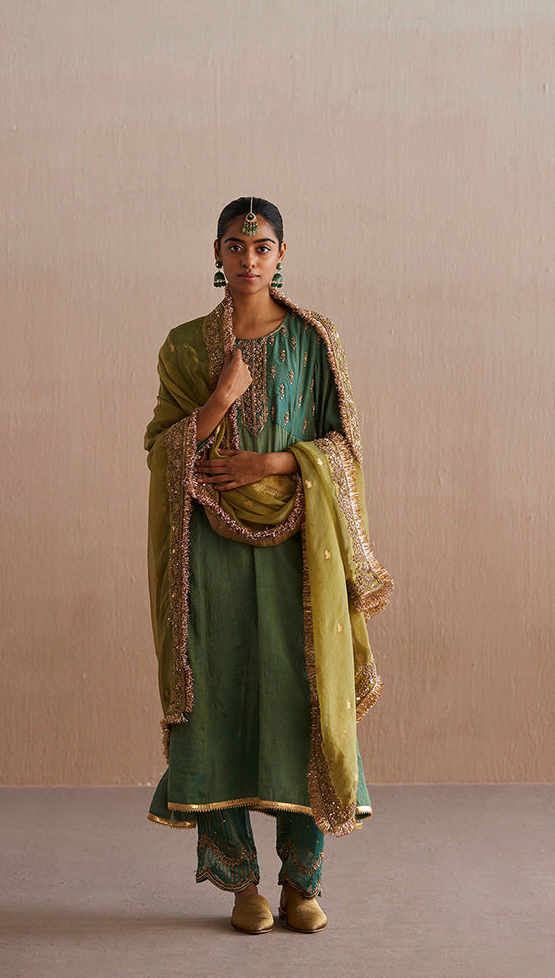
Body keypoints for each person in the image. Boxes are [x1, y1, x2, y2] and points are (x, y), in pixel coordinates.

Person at [144, 196, 392, 934]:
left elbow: (343, 450)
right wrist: (221, 397)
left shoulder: (315, 341)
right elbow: (162, 450)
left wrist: (275, 463)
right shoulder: (186, 347)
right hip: (209, 551)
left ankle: (301, 884)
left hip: (297, 552)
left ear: (282, 255)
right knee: (219, 698)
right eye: (234, 245)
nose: (248, 259)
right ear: (217, 255)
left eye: (262, 247)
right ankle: (241, 884)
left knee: (300, 703)